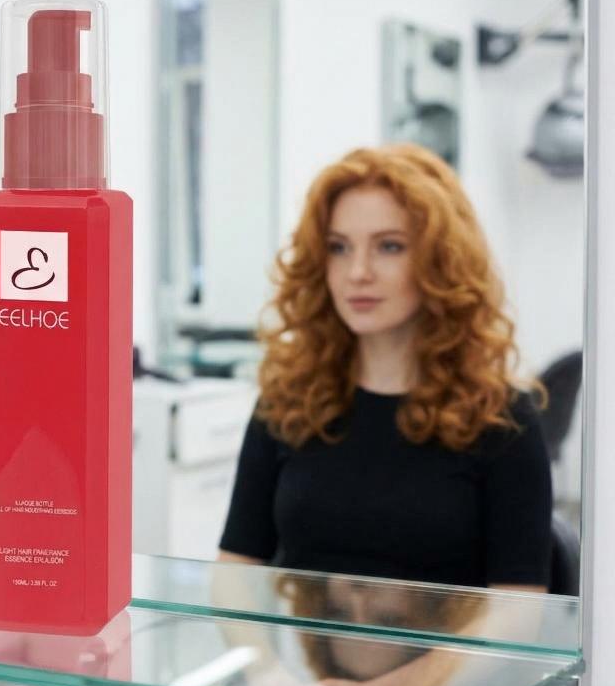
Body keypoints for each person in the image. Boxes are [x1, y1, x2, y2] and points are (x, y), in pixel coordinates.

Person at [218, 143, 552, 592]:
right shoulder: (289, 401)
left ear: (440, 261)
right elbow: (234, 572)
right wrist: (258, 644)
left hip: (452, 643)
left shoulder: (501, 417)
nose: (358, 272)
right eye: (338, 247)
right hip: (300, 641)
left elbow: (517, 609)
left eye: (389, 246)